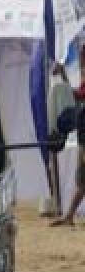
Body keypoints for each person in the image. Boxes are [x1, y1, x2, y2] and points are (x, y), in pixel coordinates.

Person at [51, 64, 85, 227]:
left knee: (82, 179)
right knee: (81, 180)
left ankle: (69, 216)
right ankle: (69, 216)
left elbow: (77, 96)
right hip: (82, 138)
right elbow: (75, 96)